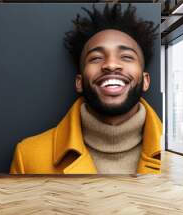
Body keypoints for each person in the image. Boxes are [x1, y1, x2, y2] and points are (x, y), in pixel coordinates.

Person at [10, 4, 162, 174]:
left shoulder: (181, 156)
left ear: (146, 80)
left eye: (126, 57)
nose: (111, 64)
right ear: (79, 82)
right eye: (96, 58)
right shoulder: (28, 157)